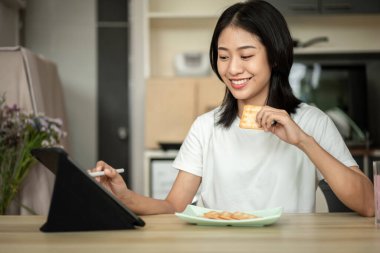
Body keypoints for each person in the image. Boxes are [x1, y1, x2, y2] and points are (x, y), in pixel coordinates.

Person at [93, 0, 374, 217]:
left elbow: (369, 203)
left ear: (274, 57)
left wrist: (303, 141)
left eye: (246, 55)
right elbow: (173, 206)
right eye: (223, 56)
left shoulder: (311, 122)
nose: (233, 68)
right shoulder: (206, 127)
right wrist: (124, 195)